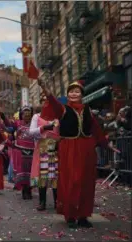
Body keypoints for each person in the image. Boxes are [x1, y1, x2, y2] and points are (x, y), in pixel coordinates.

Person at [38, 79, 120, 228]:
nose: (74, 93)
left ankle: (83, 216)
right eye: (71, 91)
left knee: (86, 181)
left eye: (77, 91)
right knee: (71, 181)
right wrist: (44, 87)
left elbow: (95, 129)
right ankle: (70, 215)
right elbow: (52, 100)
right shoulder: (62, 109)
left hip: (87, 148)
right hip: (69, 147)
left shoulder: (87, 109)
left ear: (82, 94)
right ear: (68, 95)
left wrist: (107, 145)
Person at [29, 93, 60, 211]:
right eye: (43, 101)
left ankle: (58, 202)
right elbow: (31, 132)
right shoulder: (37, 116)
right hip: (42, 147)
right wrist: (44, 128)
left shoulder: (57, 117)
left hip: (55, 148)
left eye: (48, 101)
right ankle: (42, 202)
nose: (46, 103)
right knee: (43, 176)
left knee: (54, 176)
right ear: (41, 103)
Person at [3, 106, 35, 199]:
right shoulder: (17, 123)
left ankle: (29, 190)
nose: (27, 116)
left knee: (30, 172)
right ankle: (24, 190)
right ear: (21, 115)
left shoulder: (34, 124)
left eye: (29, 114)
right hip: (20, 150)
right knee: (22, 172)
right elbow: (9, 127)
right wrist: (2, 118)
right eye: (25, 114)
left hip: (32, 150)